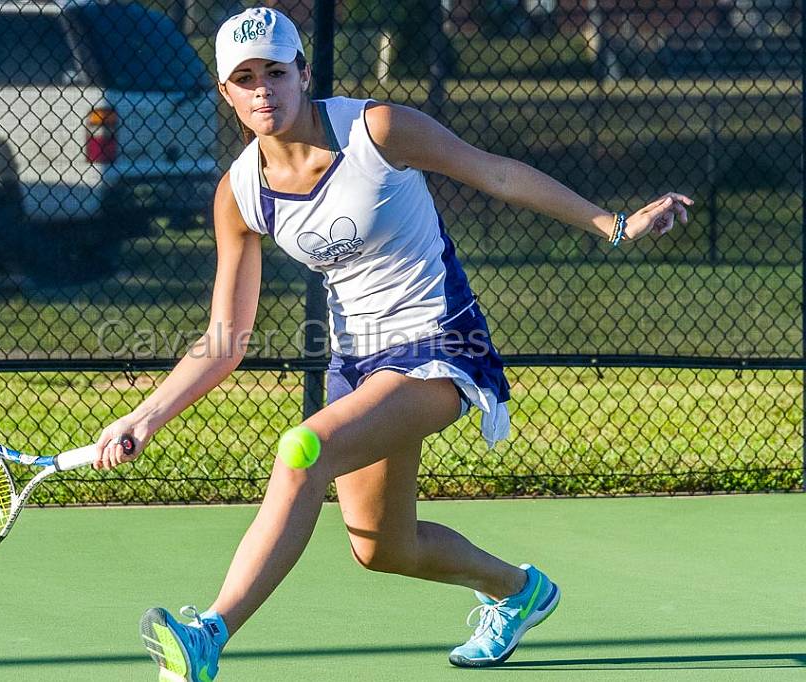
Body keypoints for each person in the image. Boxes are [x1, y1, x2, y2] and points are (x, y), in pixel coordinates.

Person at [92, 6, 692, 680]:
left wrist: (614, 224)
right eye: (246, 77)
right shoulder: (240, 194)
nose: (264, 89)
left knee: (301, 451)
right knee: (383, 547)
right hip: (360, 363)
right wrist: (145, 416)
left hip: (441, 343)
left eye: (276, 72)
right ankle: (520, 593)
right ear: (227, 93)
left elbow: (493, 173)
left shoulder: (376, 128)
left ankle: (208, 635)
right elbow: (225, 338)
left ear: (303, 73)